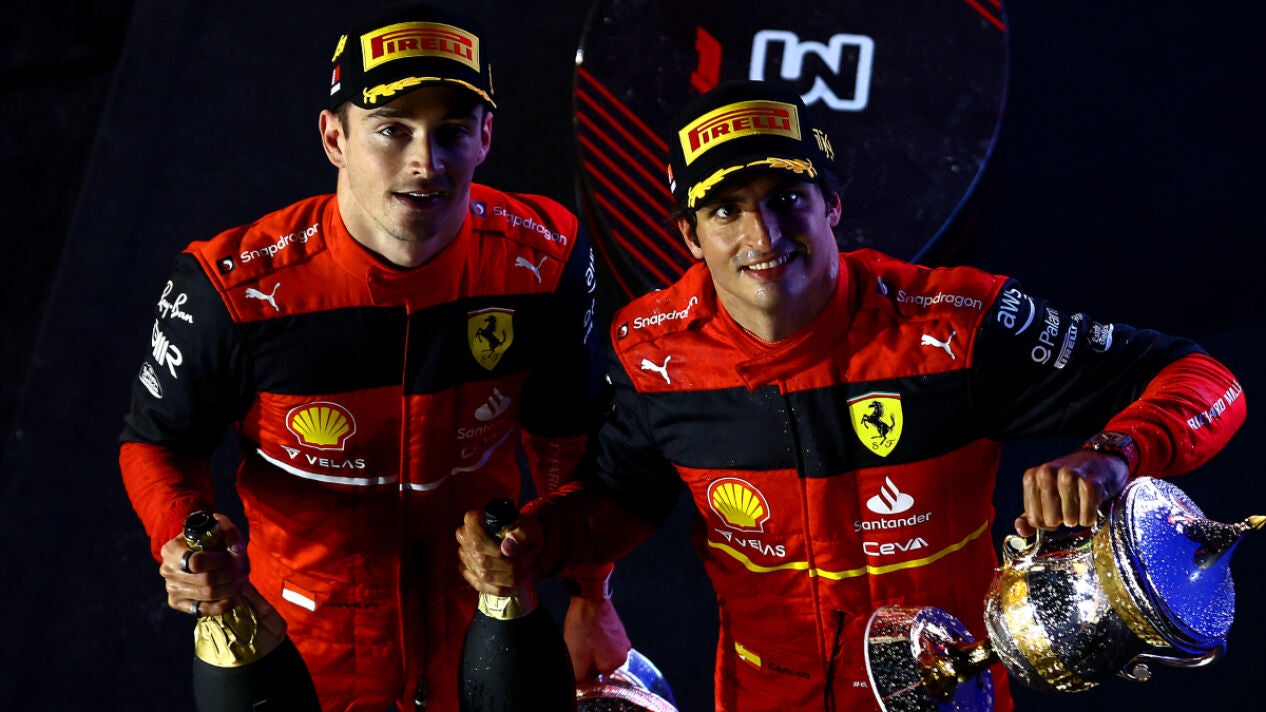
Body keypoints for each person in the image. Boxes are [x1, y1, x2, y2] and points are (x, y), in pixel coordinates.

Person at [455, 79, 1247, 711]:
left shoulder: (959, 326)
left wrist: (1115, 453)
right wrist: (532, 542)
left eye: (786, 198)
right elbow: (616, 502)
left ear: (832, 205)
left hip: (951, 692)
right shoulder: (653, 353)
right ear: (690, 236)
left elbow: (1208, 381)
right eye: (726, 210)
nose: (763, 237)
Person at [118, 3, 630, 710]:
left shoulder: (548, 258)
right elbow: (158, 443)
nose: (426, 162)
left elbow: (564, 436)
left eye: (452, 131)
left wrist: (591, 594)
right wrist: (181, 539)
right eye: (392, 129)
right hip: (301, 644)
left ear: (485, 137)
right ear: (335, 137)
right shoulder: (231, 287)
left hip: (484, 626)